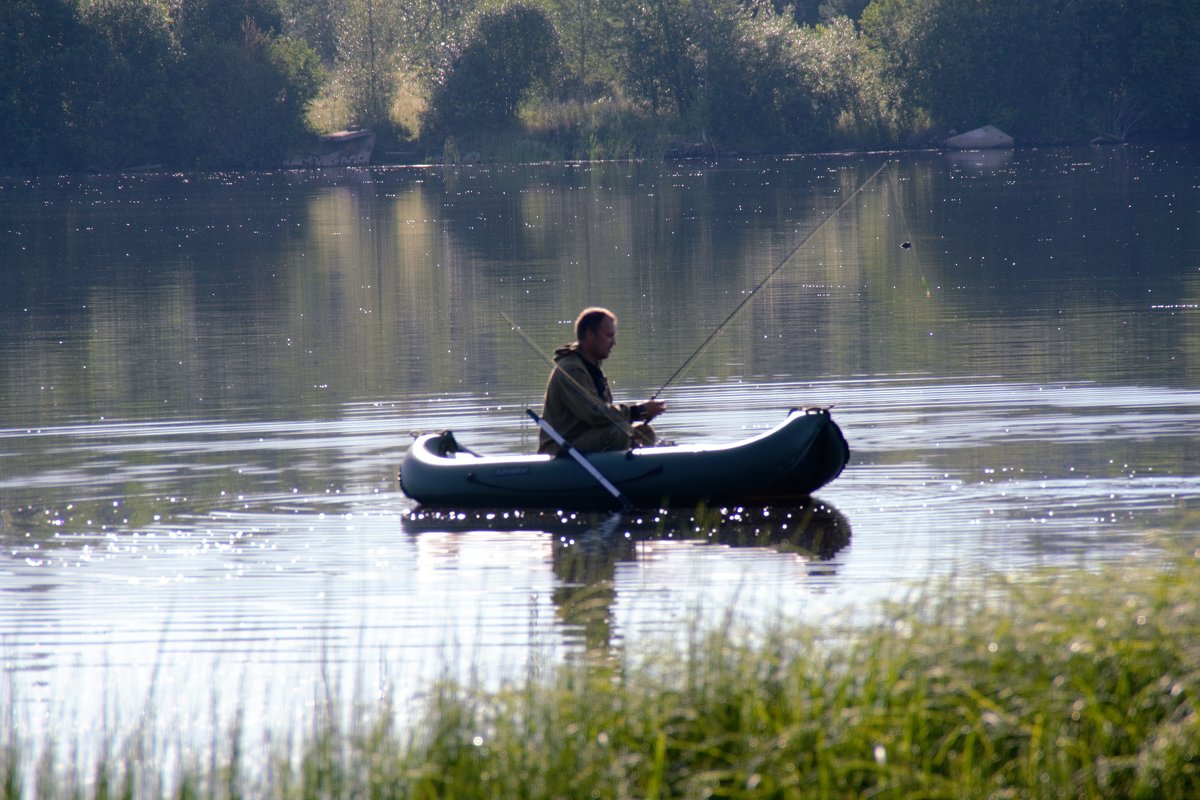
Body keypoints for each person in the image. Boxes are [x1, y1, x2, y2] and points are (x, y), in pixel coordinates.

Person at [538, 307, 666, 455]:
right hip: (560, 446)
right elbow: (595, 414)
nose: (614, 342)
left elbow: (602, 416)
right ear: (590, 335)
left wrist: (636, 417)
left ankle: (640, 470)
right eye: (609, 336)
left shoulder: (591, 367)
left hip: (585, 438)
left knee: (645, 433)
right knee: (619, 433)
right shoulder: (571, 370)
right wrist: (638, 411)